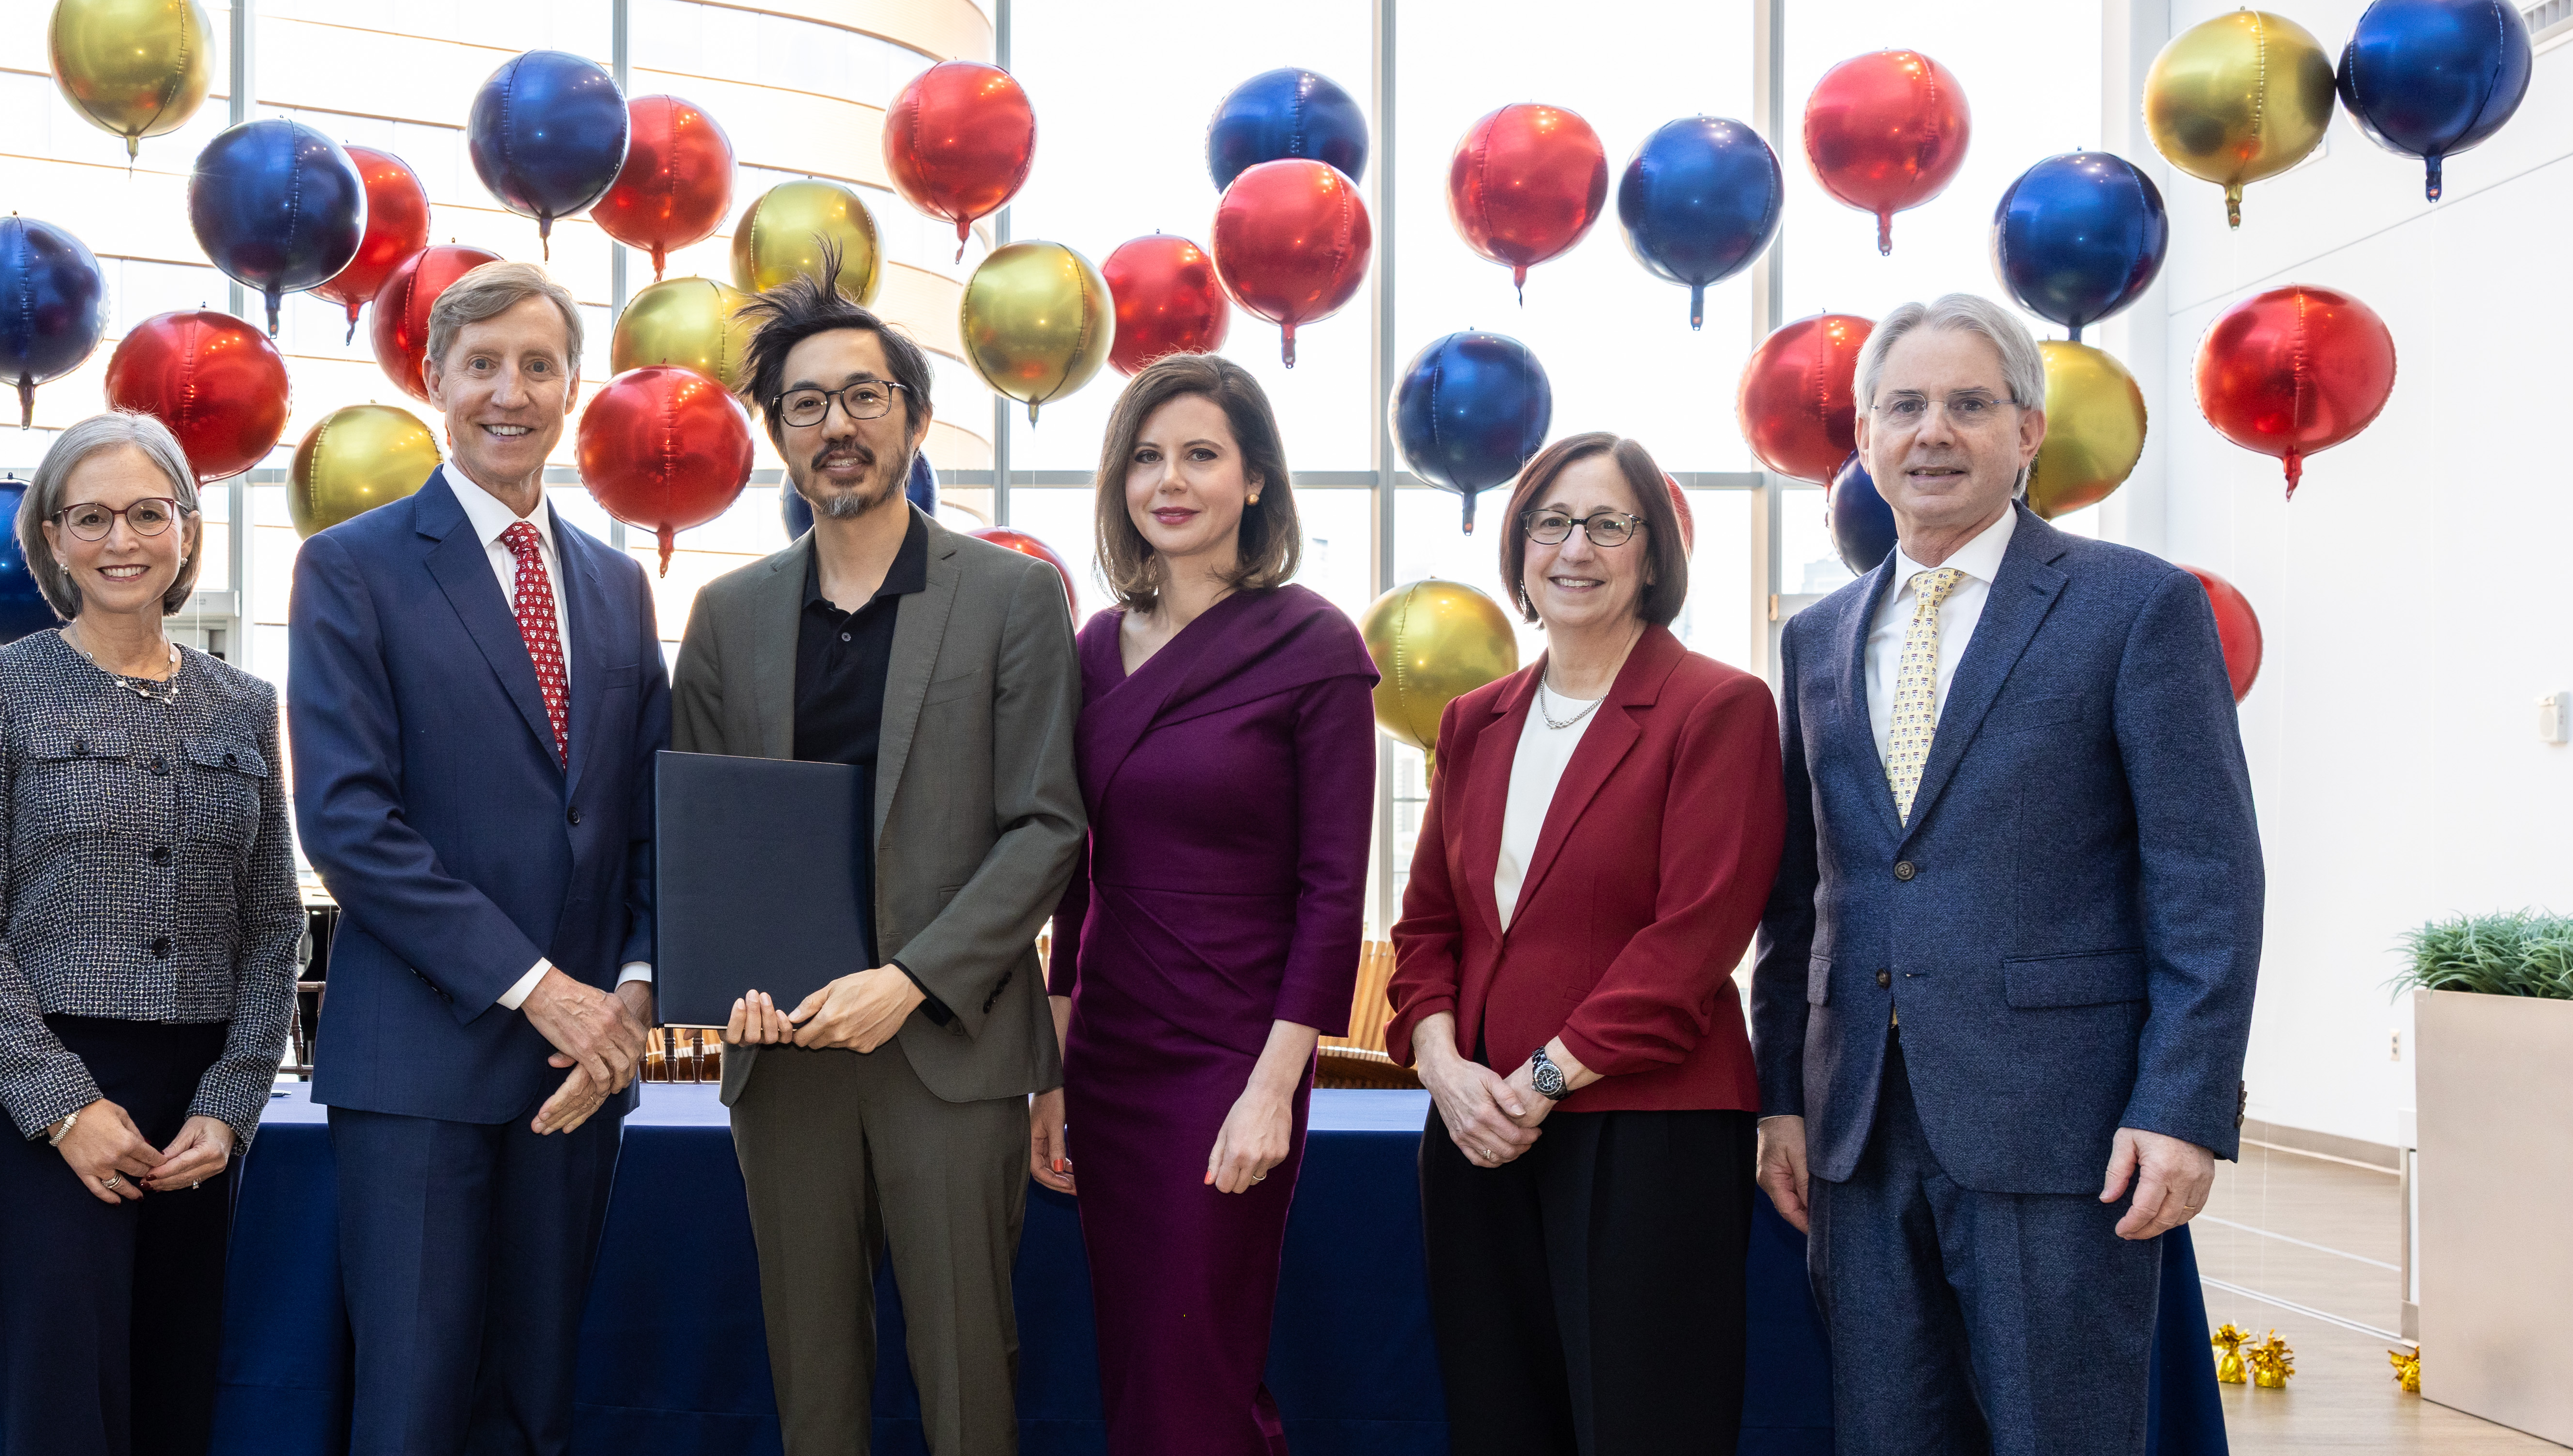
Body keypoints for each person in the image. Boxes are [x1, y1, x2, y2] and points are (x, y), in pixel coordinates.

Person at [1753, 294, 2263, 1456]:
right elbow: (1802, 894)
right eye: (1905, 406)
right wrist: (1781, 1091)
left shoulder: (2135, 606)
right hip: (1856, 1130)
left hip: (2062, 1128)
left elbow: (2206, 877)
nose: (1933, 431)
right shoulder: (1815, 637)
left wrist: (2181, 1105)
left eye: (1969, 404)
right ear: (1867, 438)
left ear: (2027, 433)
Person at [673, 258, 1086, 1456]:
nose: (836, 424)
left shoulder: (1012, 598)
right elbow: (701, 833)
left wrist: (906, 980)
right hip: (781, 1051)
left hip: (946, 1049)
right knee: (812, 1383)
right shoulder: (728, 615)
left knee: (967, 1376)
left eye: (863, 395)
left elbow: (1047, 823)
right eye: (806, 403)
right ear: (779, 436)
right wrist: (720, 983)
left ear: (910, 417)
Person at [288, 261, 669, 1456]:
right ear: (433, 379)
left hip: (581, 1077)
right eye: (484, 365)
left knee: (535, 1408)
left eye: (539, 365)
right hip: (419, 1072)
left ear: (573, 388)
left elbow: (647, 816)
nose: (512, 391)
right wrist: (542, 991)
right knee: (412, 1409)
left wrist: (636, 992)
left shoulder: (615, 587)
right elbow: (351, 824)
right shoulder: (351, 567)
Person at [1381, 432, 1783, 1455]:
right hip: (1475, 1129)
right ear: (1518, 549)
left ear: (1653, 554)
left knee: (1646, 1422)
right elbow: (1427, 923)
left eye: (1609, 524)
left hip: (1647, 1128)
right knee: (1498, 1415)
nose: (1576, 548)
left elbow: (1691, 941)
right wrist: (1443, 1067)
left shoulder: (1717, 707)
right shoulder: (1475, 721)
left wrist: (1538, 1083)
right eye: (1551, 523)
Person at [0, 411, 305, 1455]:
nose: (120, 540)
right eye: (90, 517)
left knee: (177, 1386)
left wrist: (230, 1109)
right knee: (64, 1401)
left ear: (187, 529)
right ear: (51, 537)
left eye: (147, 513)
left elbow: (274, 926)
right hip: (44, 1089)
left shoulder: (242, 703)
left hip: (199, 1103)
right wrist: (63, 1107)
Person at [1029, 354, 1373, 1456]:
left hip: (1235, 1054)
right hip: (1113, 1054)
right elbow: (1079, 879)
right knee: (1138, 1355)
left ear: (1257, 480)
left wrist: (1275, 1089)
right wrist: (1050, 1072)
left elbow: (1334, 889)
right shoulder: (1091, 651)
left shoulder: (1316, 645)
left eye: (1200, 455)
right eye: (1145, 457)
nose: (1167, 481)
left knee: (1200, 1361)